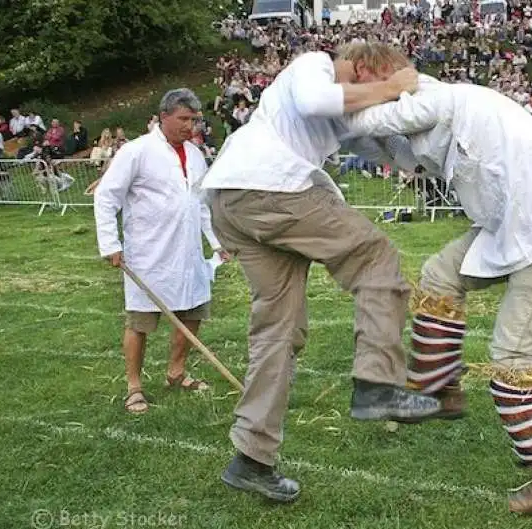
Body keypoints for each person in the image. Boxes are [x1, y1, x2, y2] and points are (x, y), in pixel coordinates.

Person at [340, 72, 532, 515]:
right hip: (512, 231)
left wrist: (327, 109)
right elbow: (391, 151)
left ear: (381, 78)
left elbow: (377, 120)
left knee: (513, 362)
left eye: (360, 81)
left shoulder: (437, 98)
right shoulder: (428, 121)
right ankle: (444, 390)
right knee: (438, 279)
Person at [197, 43, 442, 504]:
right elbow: (315, 101)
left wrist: (434, 124)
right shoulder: (314, 65)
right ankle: (378, 386)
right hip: (271, 189)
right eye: (380, 85)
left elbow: (396, 151)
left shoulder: (342, 110)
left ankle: (251, 459)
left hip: (237, 202)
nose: (385, 97)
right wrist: (395, 86)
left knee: (278, 331)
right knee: (376, 258)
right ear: (365, 68)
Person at [93, 88, 230, 415]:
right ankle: (134, 387)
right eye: (183, 119)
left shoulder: (196, 155)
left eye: (194, 119)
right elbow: (106, 197)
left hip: (188, 253)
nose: (190, 126)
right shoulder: (136, 152)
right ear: (164, 116)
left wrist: (217, 242)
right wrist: (111, 244)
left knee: (193, 311)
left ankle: (176, 372)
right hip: (149, 254)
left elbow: (200, 205)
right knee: (141, 321)